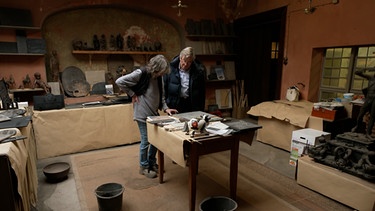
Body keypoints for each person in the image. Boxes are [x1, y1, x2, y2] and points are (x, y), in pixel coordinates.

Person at [115, 55, 170, 178]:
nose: (162, 74)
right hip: (142, 112)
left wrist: (166, 108)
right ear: (156, 68)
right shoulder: (141, 73)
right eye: (162, 71)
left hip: (154, 114)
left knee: (156, 140)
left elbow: (161, 97)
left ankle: (151, 163)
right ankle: (143, 166)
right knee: (146, 141)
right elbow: (119, 81)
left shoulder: (159, 78)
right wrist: (132, 93)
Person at [163, 47, 206, 115]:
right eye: (184, 61)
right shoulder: (170, 69)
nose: (186, 64)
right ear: (180, 58)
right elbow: (164, 88)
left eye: (189, 62)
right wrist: (166, 107)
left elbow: (202, 92)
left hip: (191, 105)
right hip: (175, 105)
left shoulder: (198, 71)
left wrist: (201, 109)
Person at [351, 67, 375, 138]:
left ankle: (368, 133)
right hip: (368, 98)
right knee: (361, 114)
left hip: (374, 100)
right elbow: (357, 72)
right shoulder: (371, 77)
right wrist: (365, 69)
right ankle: (357, 126)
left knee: (372, 117)